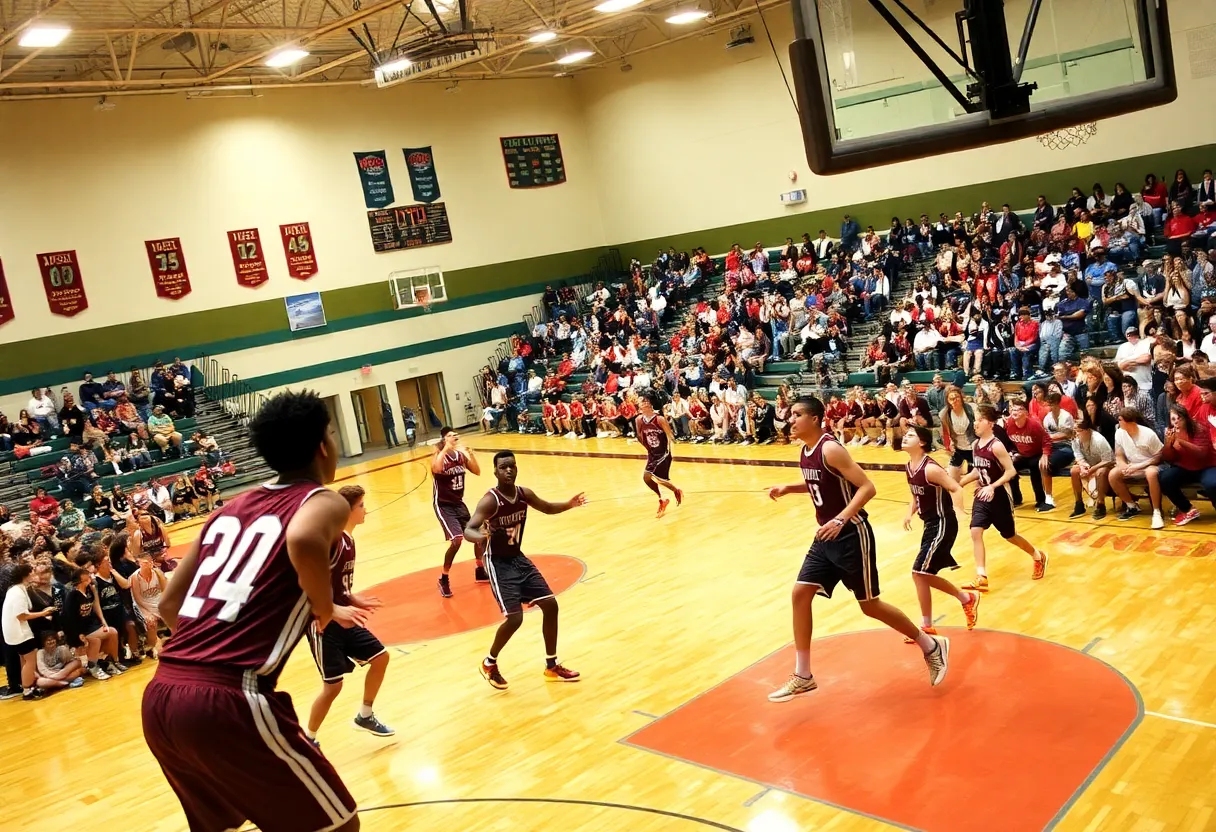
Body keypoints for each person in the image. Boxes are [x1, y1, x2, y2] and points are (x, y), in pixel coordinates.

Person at [141, 390, 364, 832]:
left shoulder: (229, 508)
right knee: (339, 825)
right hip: (229, 697)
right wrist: (323, 607)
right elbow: (301, 539)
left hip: (162, 694)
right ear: (323, 445)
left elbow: (169, 604)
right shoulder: (324, 500)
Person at [765, 396, 949, 704]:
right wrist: (790, 487)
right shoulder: (806, 451)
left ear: (814, 419)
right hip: (825, 537)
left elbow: (867, 487)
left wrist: (841, 518)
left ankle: (930, 645)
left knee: (870, 605)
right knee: (799, 593)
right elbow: (817, 482)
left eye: (797, 415)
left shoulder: (831, 448)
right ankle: (803, 675)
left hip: (852, 535)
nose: (790, 420)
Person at [464, 450, 586, 690]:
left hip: (517, 558)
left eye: (512, 466)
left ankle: (551, 665)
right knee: (515, 618)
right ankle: (490, 663)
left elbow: (548, 507)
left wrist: (569, 505)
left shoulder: (523, 494)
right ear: (495, 472)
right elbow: (469, 528)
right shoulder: (491, 500)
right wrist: (481, 536)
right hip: (497, 563)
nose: (508, 470)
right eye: (503, 467)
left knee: (550, 605)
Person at [305, 485, 393, 743]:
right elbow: (306, 585)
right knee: (333, 687)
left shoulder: (348, 539)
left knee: (380, 658)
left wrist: (353, 598)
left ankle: (364, 715)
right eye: (362, 506)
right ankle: (308, 738)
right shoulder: (331, 541)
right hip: (322, 623)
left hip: (344, 616)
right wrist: (333, 609)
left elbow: (336, 584)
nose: (366, 510)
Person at [900, 426, 980, 641]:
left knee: (919, 573)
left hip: (943, 523)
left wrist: (960, 510)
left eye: (910, 435)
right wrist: (909, 513)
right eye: (905, 434)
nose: (904, 437)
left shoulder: (931, 469)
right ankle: (963, 600)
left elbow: (955, 488)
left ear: (923, 443)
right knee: (922, 575)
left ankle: (930, 623)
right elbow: (915, 495)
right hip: (930, 525)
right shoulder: (909, 466)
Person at [960, 405, 1051, 593]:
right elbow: (978, 469)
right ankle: (981, 576)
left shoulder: (997, 445)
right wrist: (960, 483)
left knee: (1010, 536)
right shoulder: (976, 445)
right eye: (975, 420)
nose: (975, 423)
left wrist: (993, 486)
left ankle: (1037, 555)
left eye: (979, 420)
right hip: (982, 495)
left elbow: (1011, 471)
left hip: (999, 496)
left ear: (990, 423)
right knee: (975, 531)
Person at [433, 427, 486, 598]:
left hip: (458, 503)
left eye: (456, 434)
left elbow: (477, 471)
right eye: (450, 435)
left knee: (479, 535)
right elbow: (437, 469)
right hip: (443, 505)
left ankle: (480, 569)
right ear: (443, 440)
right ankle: (444, 579)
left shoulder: (460, 456)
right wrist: (445, 448)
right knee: (457, 540)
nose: (455, 436)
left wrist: (471, 454)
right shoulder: (439, 456)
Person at [3, 563, 57, 700]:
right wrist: (43, 613)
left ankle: (27, 686)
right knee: (30, 660)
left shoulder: (15, 589)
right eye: (32, 572)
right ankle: (27, 691)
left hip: (14, 631)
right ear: (25, 576)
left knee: (24, 660)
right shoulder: (18, 593)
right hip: (19, 632)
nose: (35, 574)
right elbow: (22, 616)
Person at [1108, 407, 1165, 528]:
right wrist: (1122, 465)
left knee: (1151, 473)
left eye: (1120, 420)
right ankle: (1132, 506)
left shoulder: (1148, 434)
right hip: (1131, 465)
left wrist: (1139, 466)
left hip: (1150, 465)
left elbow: (1159, 456)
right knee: (1113, 474)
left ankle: (1156, 512)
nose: (1118, 422)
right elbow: (1118, 454)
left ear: (1130, 421)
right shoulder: (1119, 432)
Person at [634, 390, 684, 518]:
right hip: (652, 454)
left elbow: (670, 436)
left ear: (650, 404)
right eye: (641, 401)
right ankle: (664, 497)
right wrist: (648, 449)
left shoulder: (659, 419)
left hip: (663, 453)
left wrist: (674, 443)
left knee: (657, 478)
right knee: (646, 478)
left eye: (644, 400)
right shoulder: (639, 420)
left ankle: (673, 492)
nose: (641, 403)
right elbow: (640, 437)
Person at [1069, 414, 1115, 519]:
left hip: (1106, 465)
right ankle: (1079, 504)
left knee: (1101, 472)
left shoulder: (1099, 440)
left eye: (1078, 431)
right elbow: (1078, 455)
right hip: (1089, 465)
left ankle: (1100, 504)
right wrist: (1083, 465)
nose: (1076, 434)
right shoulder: (1075, 439)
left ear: (1087, 430)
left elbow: (1109, 460)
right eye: (1075, 430)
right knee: (1074, 471)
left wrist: (1092, 470)